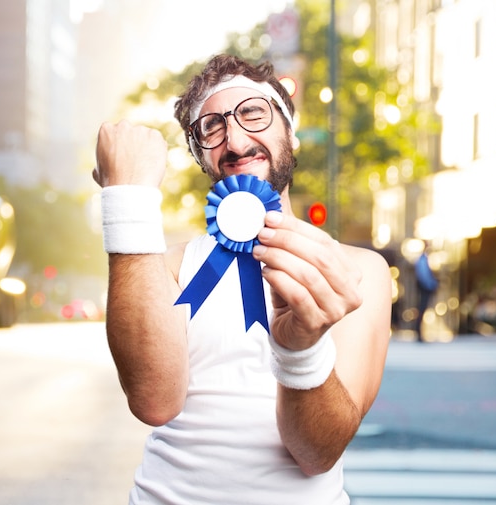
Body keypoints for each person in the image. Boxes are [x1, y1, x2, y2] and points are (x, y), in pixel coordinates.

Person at [93, 54, 392, 504]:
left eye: (253, 113)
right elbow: (154, 402)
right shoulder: (166, 267)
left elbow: (317, 453)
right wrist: (127, 201)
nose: (234, 140)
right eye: (211, 128)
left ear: (290, 132)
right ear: (200, 158)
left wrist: (300, 349)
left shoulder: (357, 271)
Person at [414, 247, 438, 342]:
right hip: (425, 288)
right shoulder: (423, 260)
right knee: (421, 310)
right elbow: (424, 275)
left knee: (422, 310)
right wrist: (432, 285)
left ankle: (419, 332)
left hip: (425, 287)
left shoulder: (424, 259)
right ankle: (418, 332)